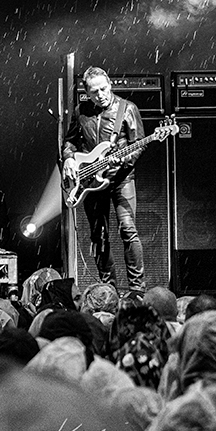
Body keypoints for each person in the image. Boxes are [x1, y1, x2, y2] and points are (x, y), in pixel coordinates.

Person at [62, 66, 146, 293]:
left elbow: (138, 144)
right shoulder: (81, 111)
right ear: (87, 93)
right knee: (98, 236)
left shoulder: (127, 109)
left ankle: (137, 290)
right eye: (94, 92)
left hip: (122, 179)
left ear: (110, 84)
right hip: (91, 181)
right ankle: (108, 290)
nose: (100, 95)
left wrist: (124, 160)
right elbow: (70, 141)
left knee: (128, 230)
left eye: (103, 89)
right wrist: (69, 158)